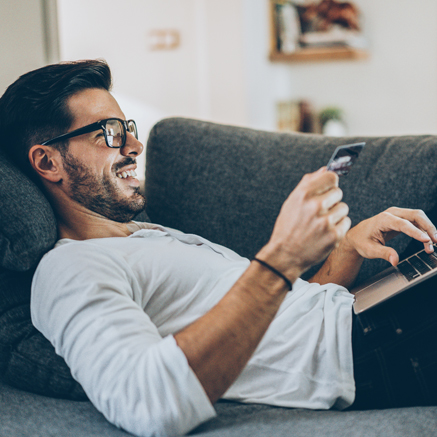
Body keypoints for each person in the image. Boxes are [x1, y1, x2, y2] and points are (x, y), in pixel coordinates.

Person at [0, 60, 436, 437]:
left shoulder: (143, 235)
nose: (134, 146)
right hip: (370, 348)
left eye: (128, 128)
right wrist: (281, 256)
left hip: (361, 317)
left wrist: (346, 250)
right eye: (110, 133)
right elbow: (147, 404)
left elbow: (285, 322)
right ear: (47, 162)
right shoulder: (70, 269)